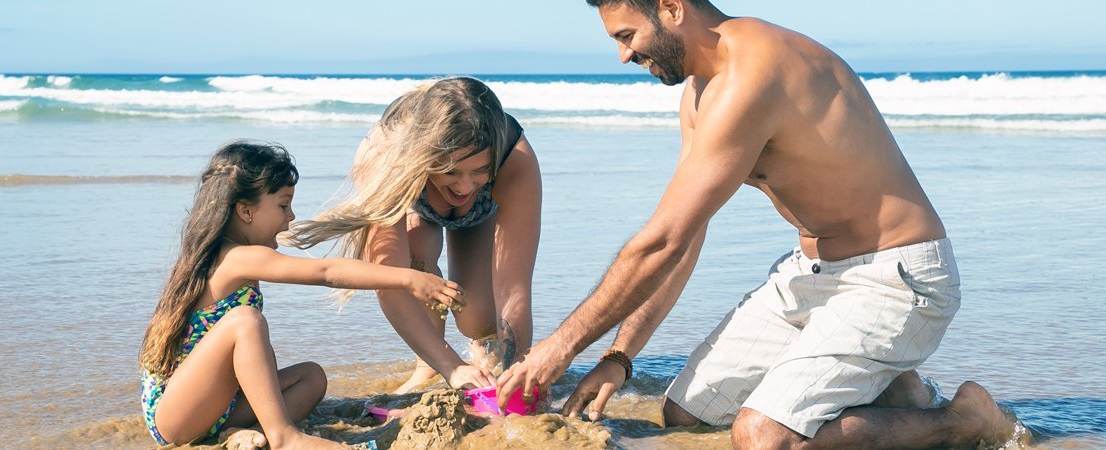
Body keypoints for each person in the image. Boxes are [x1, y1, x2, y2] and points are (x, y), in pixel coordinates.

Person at [497, 1, 1014, 448]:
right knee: (688, 415)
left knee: (762, 437)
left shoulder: (757, 73)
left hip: (896, 278)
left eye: (627, 36)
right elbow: (684, 235)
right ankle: (895, 391)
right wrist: (618, 356)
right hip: (812, 274)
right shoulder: (699, 95)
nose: (624, 56)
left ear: (672, 9)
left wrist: (560, 346)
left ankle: (962, 422)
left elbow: (660, 243)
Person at [138, 140, 464, 448]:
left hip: (216, 408)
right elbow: (326, 273)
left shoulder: (231, 255)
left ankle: (241, 434)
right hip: (176, 416)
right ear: (246, 211)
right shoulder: (235, 258)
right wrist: (408, 278)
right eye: (283, 205)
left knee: (311, 377)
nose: (291, 217)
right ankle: (284, 439)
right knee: (245, 322)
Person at [289, 77, 542, 393]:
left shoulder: (513, 157)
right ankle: (428, 368)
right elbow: (390, 283)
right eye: (450, 171)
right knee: (415, 263)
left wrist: (515, 374)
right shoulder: (384, 155)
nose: (464, 187)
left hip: (480, 215)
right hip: (415, 205)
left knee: (477, 318)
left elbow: (515, 289)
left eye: (480, 170)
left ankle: (486, 359)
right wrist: (451, 367)